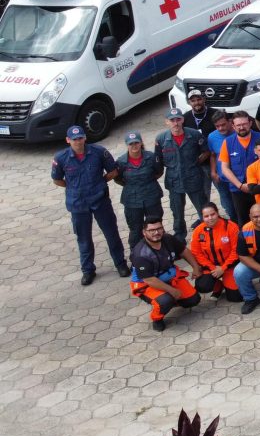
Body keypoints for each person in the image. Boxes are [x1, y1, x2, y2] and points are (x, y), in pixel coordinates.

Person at [52, 124, 127, 285]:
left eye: (80, 138)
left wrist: (100, 182)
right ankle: (88, 270)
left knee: (111, 233)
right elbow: (57, 180)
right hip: (78, 204)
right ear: (68, 140)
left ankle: (121, 264)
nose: (78, 142)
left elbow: (113, 171)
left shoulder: (99, 152)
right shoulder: (61, 158)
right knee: (84, 239)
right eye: (74, 139)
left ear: (85, 138)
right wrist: (73, 188)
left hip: (100, 200)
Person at [127, 218, 202, 331]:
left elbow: (183, 251)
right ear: (144, 232)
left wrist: (196, 267)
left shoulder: (167, 238)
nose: (156, 232)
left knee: (193, 299)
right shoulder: (140, 254)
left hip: (170, 277)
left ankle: (171, 301)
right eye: (151, 230)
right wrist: (172, 291)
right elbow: (149, 280)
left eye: (159, 228)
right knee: (165, 301)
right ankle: (157, 318)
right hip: (147, 285)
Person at [156, 108, 210, 239]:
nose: (176, 123)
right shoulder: (161, 139)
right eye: (172, 120)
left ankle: (208, 234)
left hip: (194, 178)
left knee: (203, 209)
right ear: (166, 122)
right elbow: (158, 160)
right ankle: (180, 238)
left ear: (183, 120)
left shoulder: (194, 135)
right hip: (174, 182)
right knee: (177, 212)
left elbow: (206, 151)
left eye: (178, 119)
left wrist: (196, 163)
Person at [115, 131, 165, 249]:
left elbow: (159, 171)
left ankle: (161, 251)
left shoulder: (151, 157)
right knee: (135, 229)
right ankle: (136, 255)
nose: (134, 146)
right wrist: (133, 186)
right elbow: (117, 178)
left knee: (156, 226)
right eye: (131, 143)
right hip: (132, 200)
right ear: (127, 145)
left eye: (136, 143)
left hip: (151, 197)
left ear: (141, 143)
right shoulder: (121, 161)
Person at [218, 111, 260, 222]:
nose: (242, 127)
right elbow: (224, 168)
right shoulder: (228, 142)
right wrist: (240, 185)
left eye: (244, 124)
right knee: (243, 221)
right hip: (238, 190)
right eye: (238, 125)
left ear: (250, 123)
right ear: (233, 126)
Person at [189, 202, 242, 302]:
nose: (210, 218)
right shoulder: (198, 231)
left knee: (236, 297)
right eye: (206, 216)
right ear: (202, 217)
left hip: (229, 267)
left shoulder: (231, 227)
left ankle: (228, 282)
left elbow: (236, 251)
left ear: (217, 213)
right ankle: (218, 285)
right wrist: (213, 269)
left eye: (212, 214)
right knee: (203, 286)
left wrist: (223, 268)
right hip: (211, 268)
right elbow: (197, 253)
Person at [206, 111, 237, 221]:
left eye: (223, 124)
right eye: (217, 126)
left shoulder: (238, 132)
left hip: (238, 177)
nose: (220, 128)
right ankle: (234, 224)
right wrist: (213, 172)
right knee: (227, 204)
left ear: (229, 121)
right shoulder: (212, 137)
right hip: (222, 178)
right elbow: (213, 155)